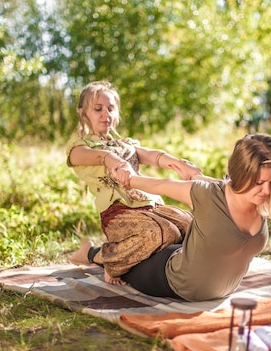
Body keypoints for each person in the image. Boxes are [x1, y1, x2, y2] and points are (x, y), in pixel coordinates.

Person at [82, 133, 271, 301]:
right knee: (138, 252)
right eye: (259, 182)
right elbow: (163, 185)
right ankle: (91, 253)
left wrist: (197, 175)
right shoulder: (206, 195)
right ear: (241, 175)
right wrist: (129, 180)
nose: (267, 191)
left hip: (195, 266)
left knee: (173, 237)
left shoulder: (258, 201)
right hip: (170, 278)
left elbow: (224, 186)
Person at [66, 80, 202, 285]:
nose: (106, 114)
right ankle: (103, 259)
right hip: (119, 211)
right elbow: (94, 156)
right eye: (98, 109)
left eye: (111, 108)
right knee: (161, 233)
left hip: (150, 206)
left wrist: (178, 164)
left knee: (189, 225)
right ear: (83, 112)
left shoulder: (126, 144)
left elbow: (153, 155)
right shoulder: (79, 146)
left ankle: (158, 266)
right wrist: (114, 161)